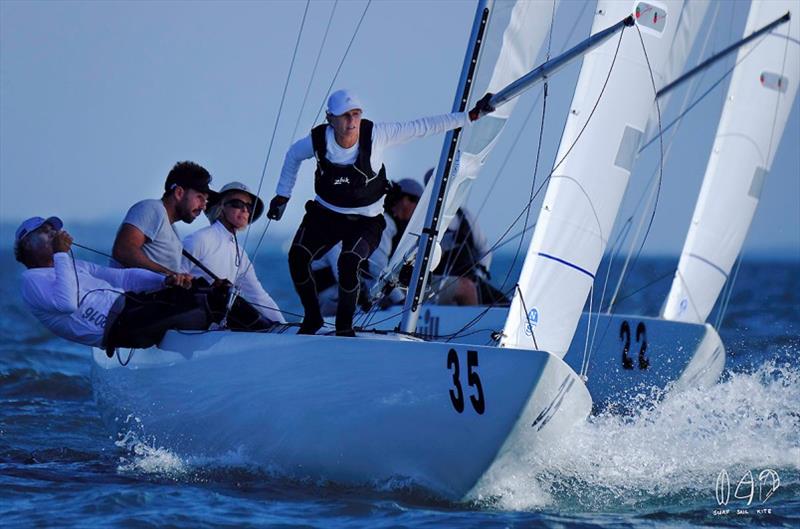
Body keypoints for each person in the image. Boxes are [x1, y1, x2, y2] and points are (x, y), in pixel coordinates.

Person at [267, 88, 495, 336]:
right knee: (297, 257)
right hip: (326, 214)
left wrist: (468, 116)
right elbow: (292, 156)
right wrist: (282, 196)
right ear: (330, 118)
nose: (352, 121)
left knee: (349, 262)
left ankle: (344, 328)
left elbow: (422, 126)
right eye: (345, 116)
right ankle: (313, 319)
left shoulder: (376, 135)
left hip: (365, 220)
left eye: (356, 114)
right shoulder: (318, 140)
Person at [14, 216, 227, 354]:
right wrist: (60, 254)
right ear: (27, 245)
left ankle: (247, 329)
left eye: (54, 229)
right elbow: (67, 303)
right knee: (199, 307)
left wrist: (164, 279)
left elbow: (122, 278)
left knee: (200, 288)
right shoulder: (30, 280)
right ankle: (223, 341)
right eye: (45, 230)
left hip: (131, 307)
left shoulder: (71, 265)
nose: (54, 233)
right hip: (118, 327)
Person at [312, 177, 423, 315]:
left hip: (325, 293)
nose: (417, 210)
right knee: (387, 305)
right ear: (405, 200)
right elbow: (378, 269)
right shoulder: (385, 224)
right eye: (417, 203)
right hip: (332, 295)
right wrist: (402, 302)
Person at [182, 182, 286, 324]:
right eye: (237, 204)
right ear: (221, 206)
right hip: (191, 322)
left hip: (216, 324)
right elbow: (170, 280)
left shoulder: (241, 255)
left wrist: (285, 327)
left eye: (249, 206)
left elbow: (259, 297)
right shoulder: (199, 240)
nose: (244, 210)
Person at [111, 161, 217, 282]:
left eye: (206, 201)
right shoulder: (151, 208)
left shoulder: (173, 231)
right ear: (179, 193)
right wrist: (169, 275)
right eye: (199, 198)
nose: (203, 206)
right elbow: (123, 250)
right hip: (131, 297)